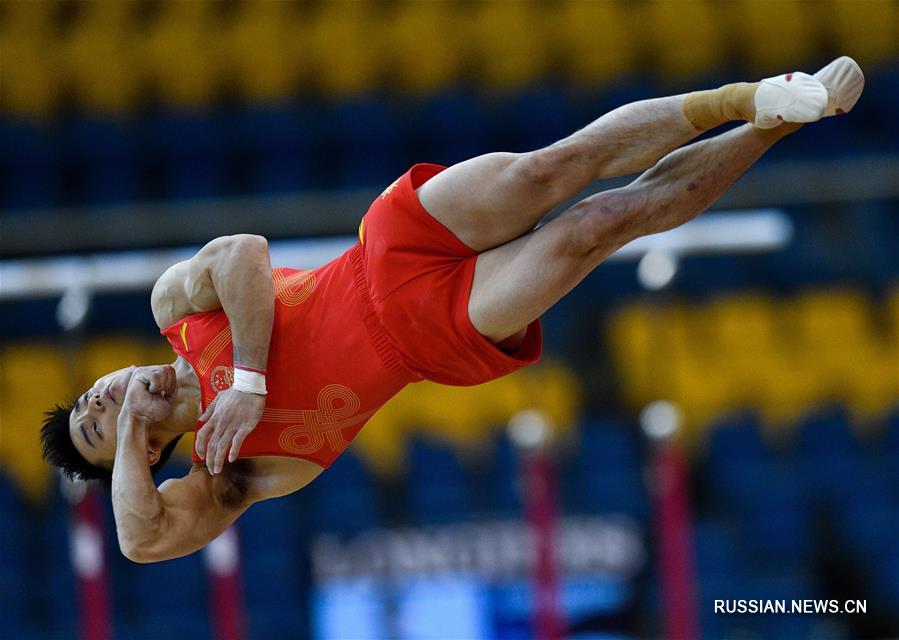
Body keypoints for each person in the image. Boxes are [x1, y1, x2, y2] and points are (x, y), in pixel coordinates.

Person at [41, 58, 863, 563]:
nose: (99, 399)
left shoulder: (172, 311)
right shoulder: (228, 473)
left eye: (86, 395)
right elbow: (141, 542)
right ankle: (775, 122)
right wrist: (136, 457)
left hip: (388, 249)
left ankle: (746, 92)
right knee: (601, 224)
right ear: (136, 460)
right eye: (95, 426)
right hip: (435, 331)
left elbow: (244, 252)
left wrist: (248, 375)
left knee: (555, 168)